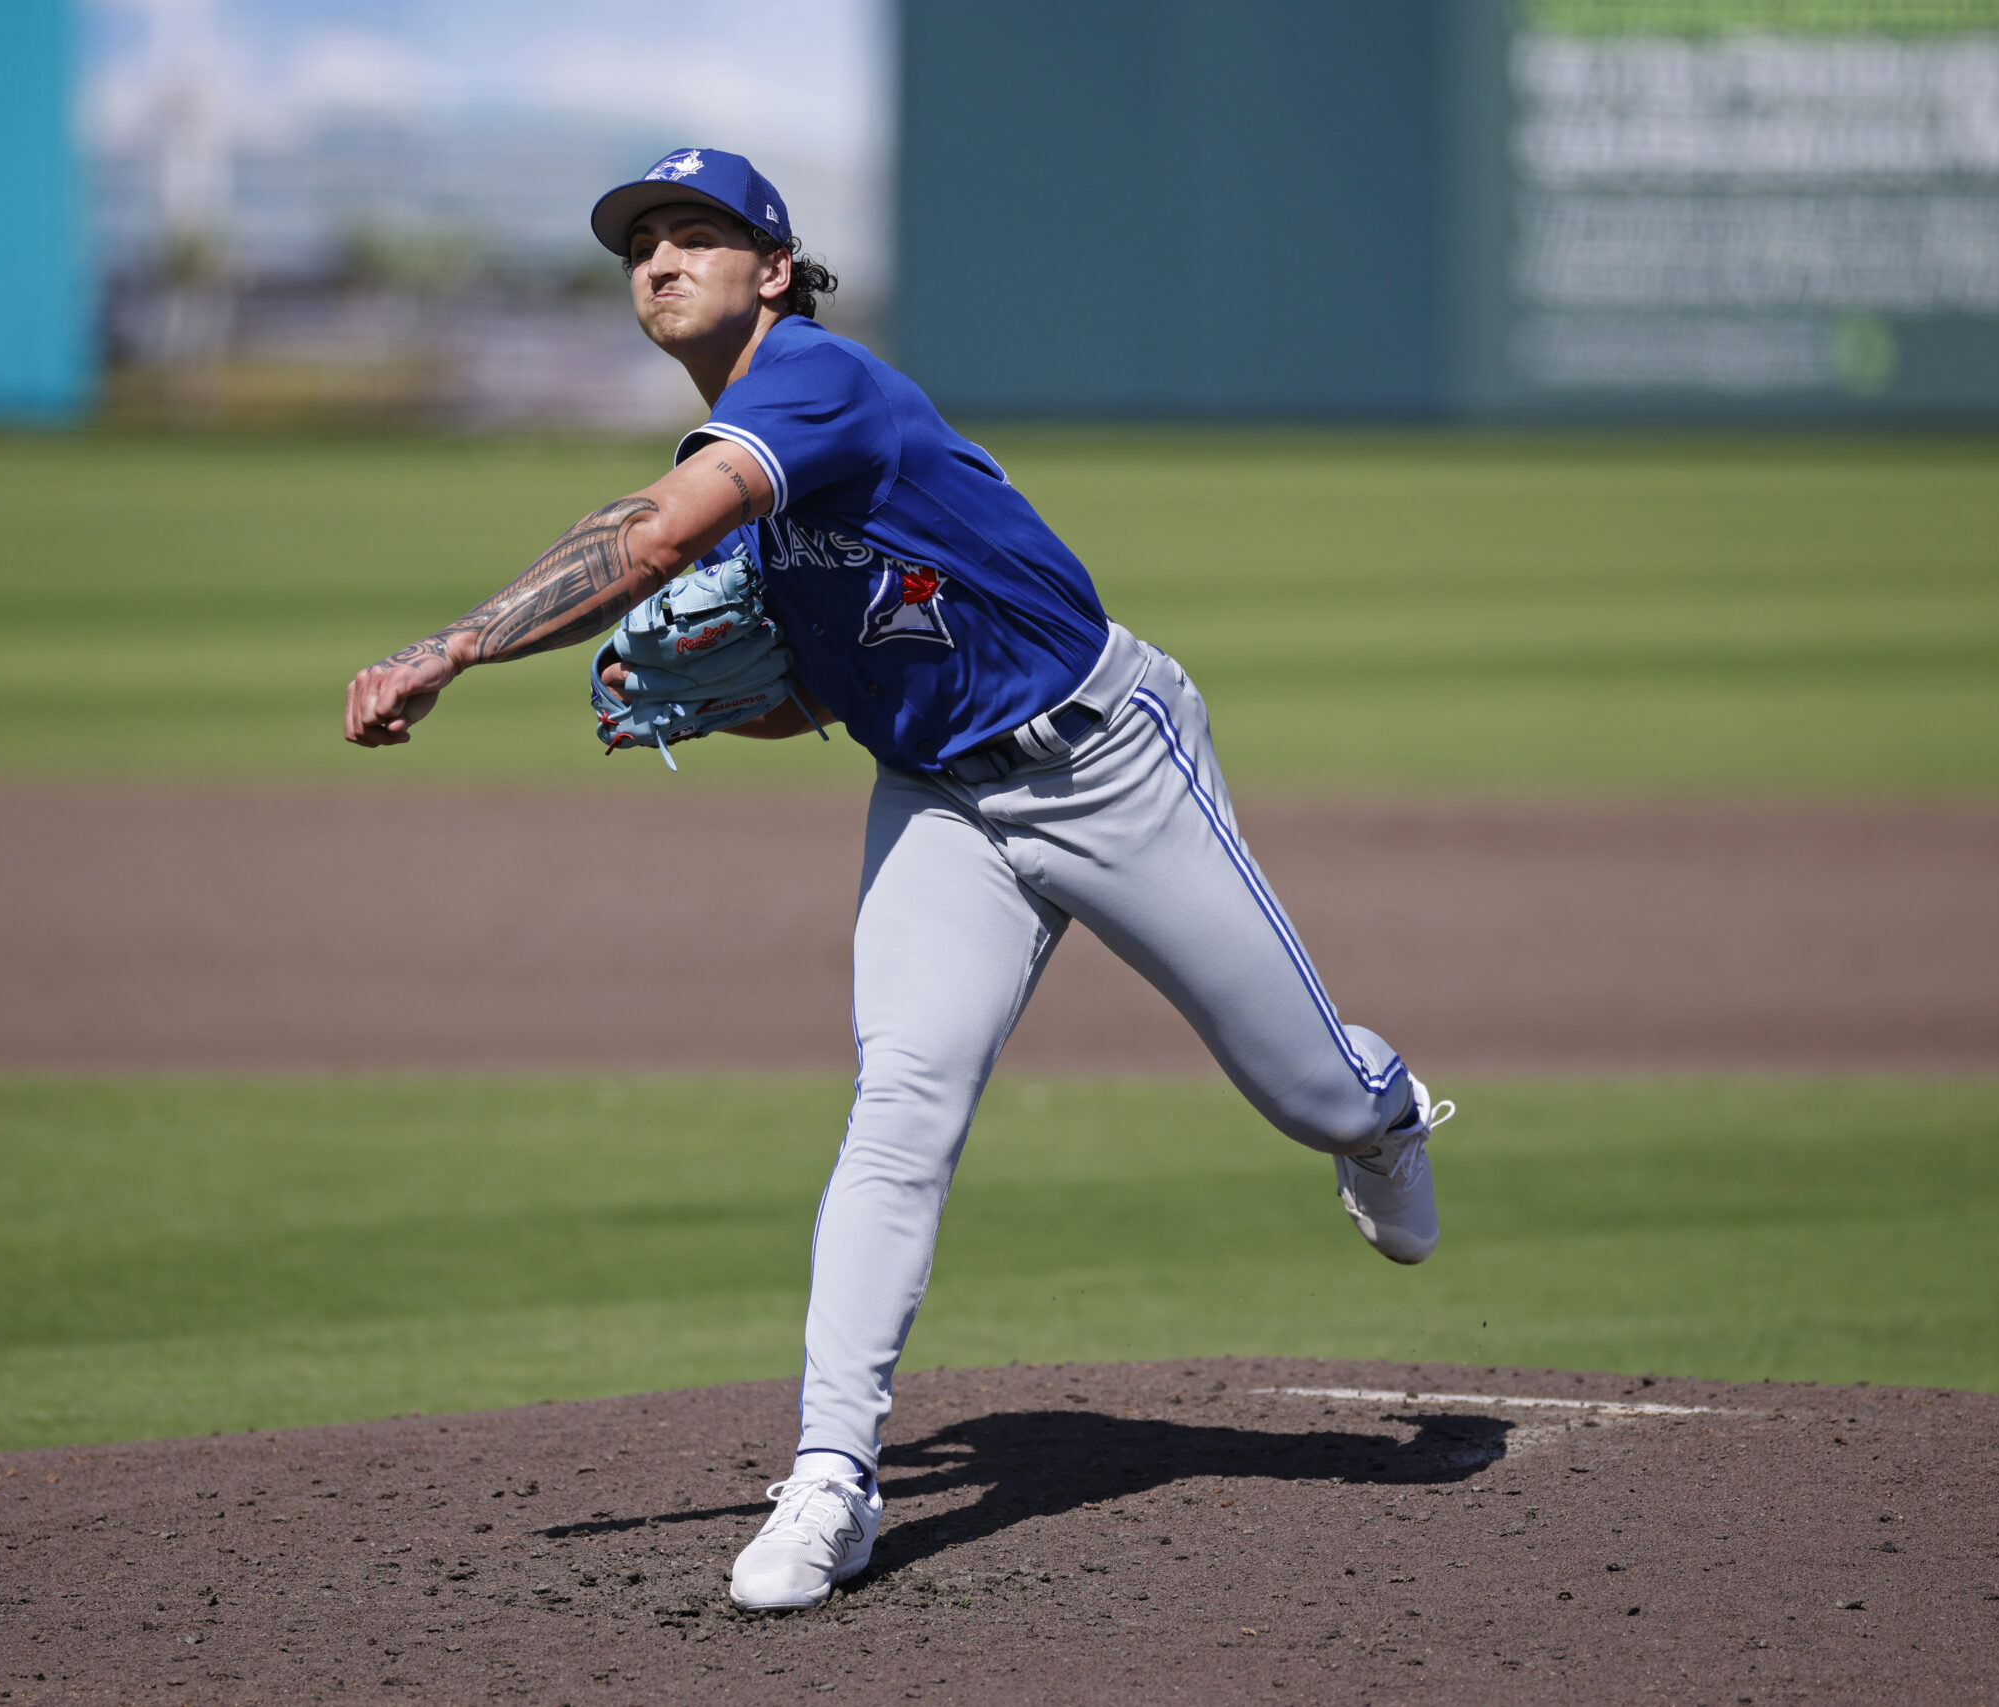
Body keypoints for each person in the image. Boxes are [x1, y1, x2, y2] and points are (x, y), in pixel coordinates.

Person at [342, 148, 1451, 1613]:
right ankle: (832, 1480)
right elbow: (818, 696)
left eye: (696, 235)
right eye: (641, 244)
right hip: (941, 802)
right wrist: (734, 702)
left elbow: (654, 532)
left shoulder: (815, 388)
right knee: (898, 1109)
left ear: (777, 272)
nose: (660, 261)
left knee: (1306, 1093)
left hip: (1107, 762)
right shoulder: (761, 470)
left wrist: (455, 646)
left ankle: (1375, 1110)